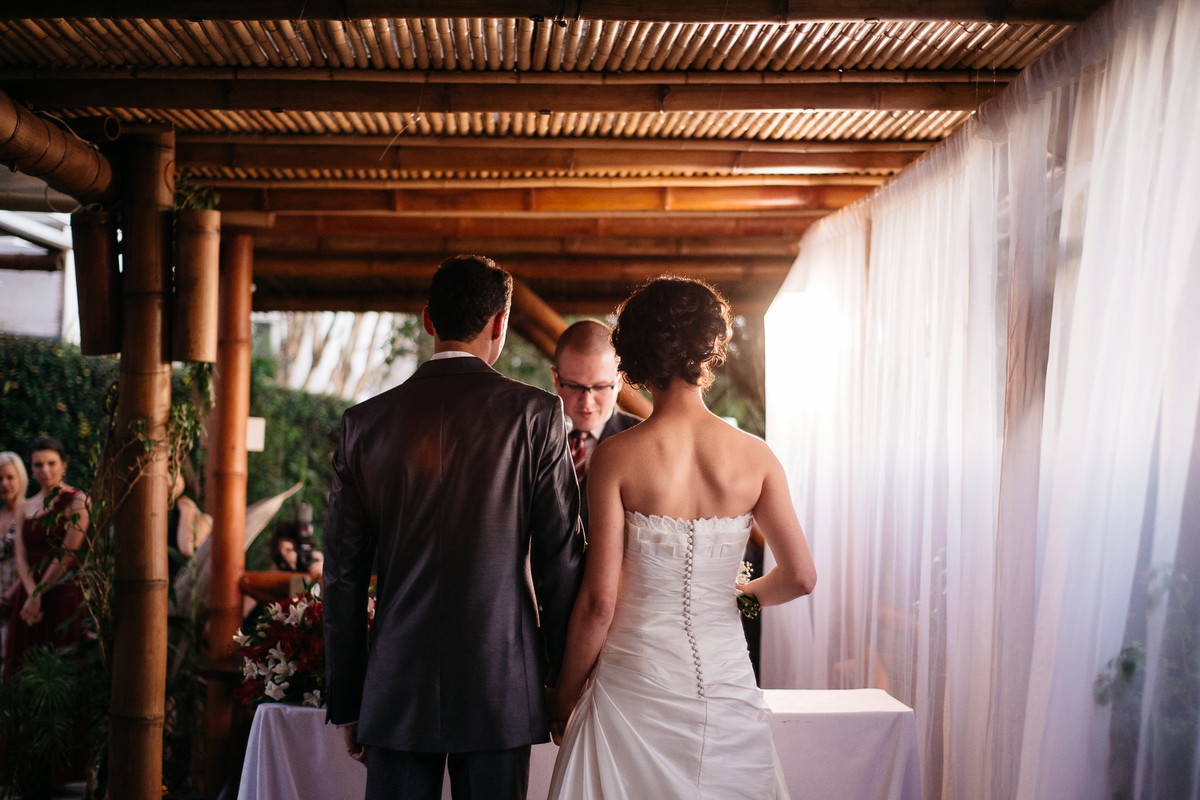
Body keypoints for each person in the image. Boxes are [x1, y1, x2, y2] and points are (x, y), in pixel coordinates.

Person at [323, 254, 585, 800]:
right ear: (500, 323)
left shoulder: (363, 425)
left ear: (427, 319)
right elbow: (560, 560)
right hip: (502, 683)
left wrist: (348, 699)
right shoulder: (537, 415)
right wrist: (564, 683)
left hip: (397, 686)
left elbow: (343, 575)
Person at [547, 276, 818, 799]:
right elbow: (801, 577)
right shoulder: (757, 457)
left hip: (634, 686)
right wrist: (735, 598)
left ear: (634, 357)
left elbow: (600, 602)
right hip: (725, 681)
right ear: (708, 349)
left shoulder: (616, 457)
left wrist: (563, 696)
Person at [4, 437, 90, 678]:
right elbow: (21, 557)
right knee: (24, 663)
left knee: (60, 664)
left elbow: (68, 553)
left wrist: (38, 593)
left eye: (51, 463)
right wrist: (32, 593)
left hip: (62, 590)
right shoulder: (24, 507)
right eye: (38, 465)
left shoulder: (78, 501)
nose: (45, 470)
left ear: (64, 464)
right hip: (28, 593)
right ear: (31, 469)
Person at [552, 319, 641, 529]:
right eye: (574, 386)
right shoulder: (533, 435)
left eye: (600, 387)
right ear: (556, 378)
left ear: (619, 381)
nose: (587, 401)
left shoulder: (642, 440)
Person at [0, 451, 29, 667]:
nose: (4, 484)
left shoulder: (31, 513)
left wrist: (10, 595)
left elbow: (35, 560)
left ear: (20, 478)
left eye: (10, 477)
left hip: (19, 593)